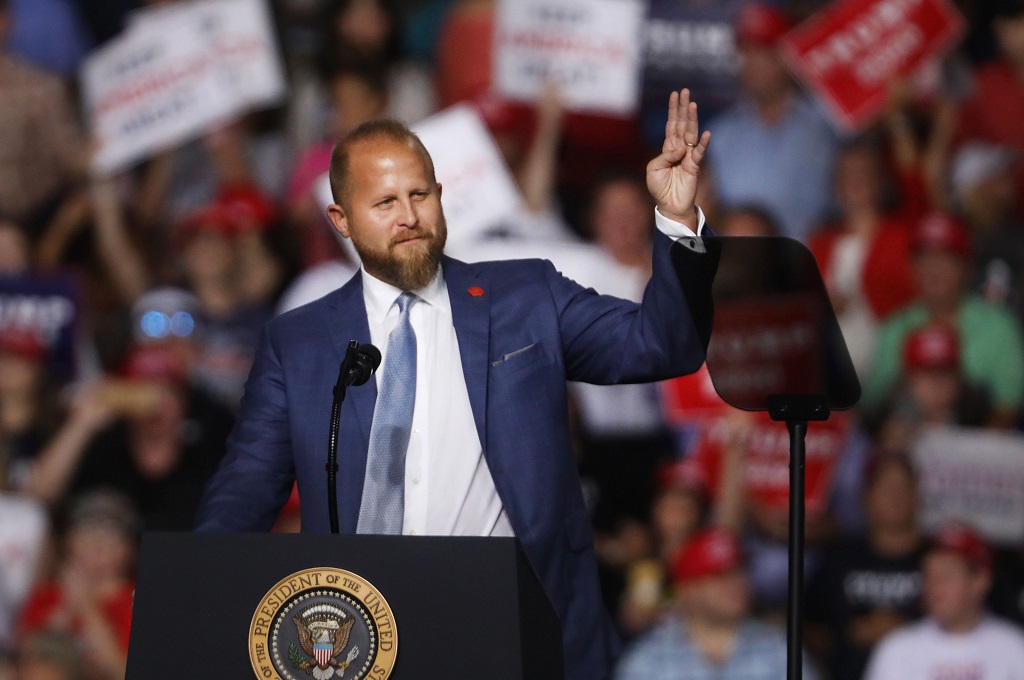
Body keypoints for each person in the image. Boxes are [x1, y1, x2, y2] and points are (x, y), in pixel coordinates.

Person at [196, 89, 717, 680]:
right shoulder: (299, 343)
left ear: (441, 196)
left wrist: (677, 220)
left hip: (517, 629)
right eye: (384, 202)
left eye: (419, 195)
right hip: (361, 643)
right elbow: (245, 488)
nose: (408, 216)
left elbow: (663, 343)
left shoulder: (525, 297)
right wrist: (195, 592)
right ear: (341, 221)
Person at [614, 527, 816, 680]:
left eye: (739, 572)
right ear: (688, 590)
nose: (737, 583)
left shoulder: (779, 649)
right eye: (720, 575)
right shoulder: (648, 657)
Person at [864, 523, 1024, 680]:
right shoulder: (896, 649)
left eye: (946, 575)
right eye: (929, 575)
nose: (934, 587)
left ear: (980, 580)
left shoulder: (1014, 648)